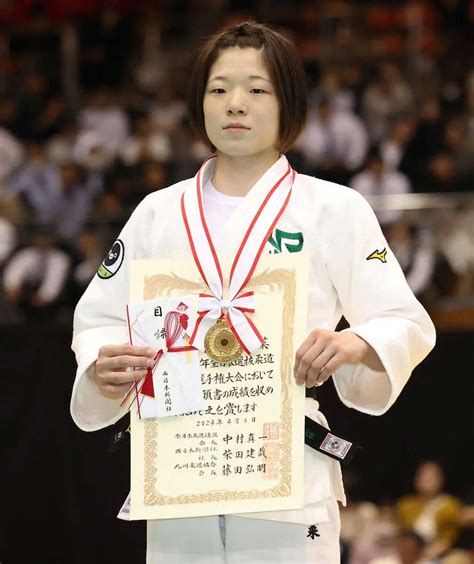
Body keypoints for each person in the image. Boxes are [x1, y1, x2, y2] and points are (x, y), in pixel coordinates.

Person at [70, 21, 436, 564]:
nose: (235, 103)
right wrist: (103, 362)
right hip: (180, 462)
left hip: (286, 471)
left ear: (287, 102)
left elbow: (404, 322)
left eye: (256, 89)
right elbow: (97, 321)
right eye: (218, 89)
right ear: (199, 104)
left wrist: (355, 344)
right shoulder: (157, 213)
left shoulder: (334, 209)